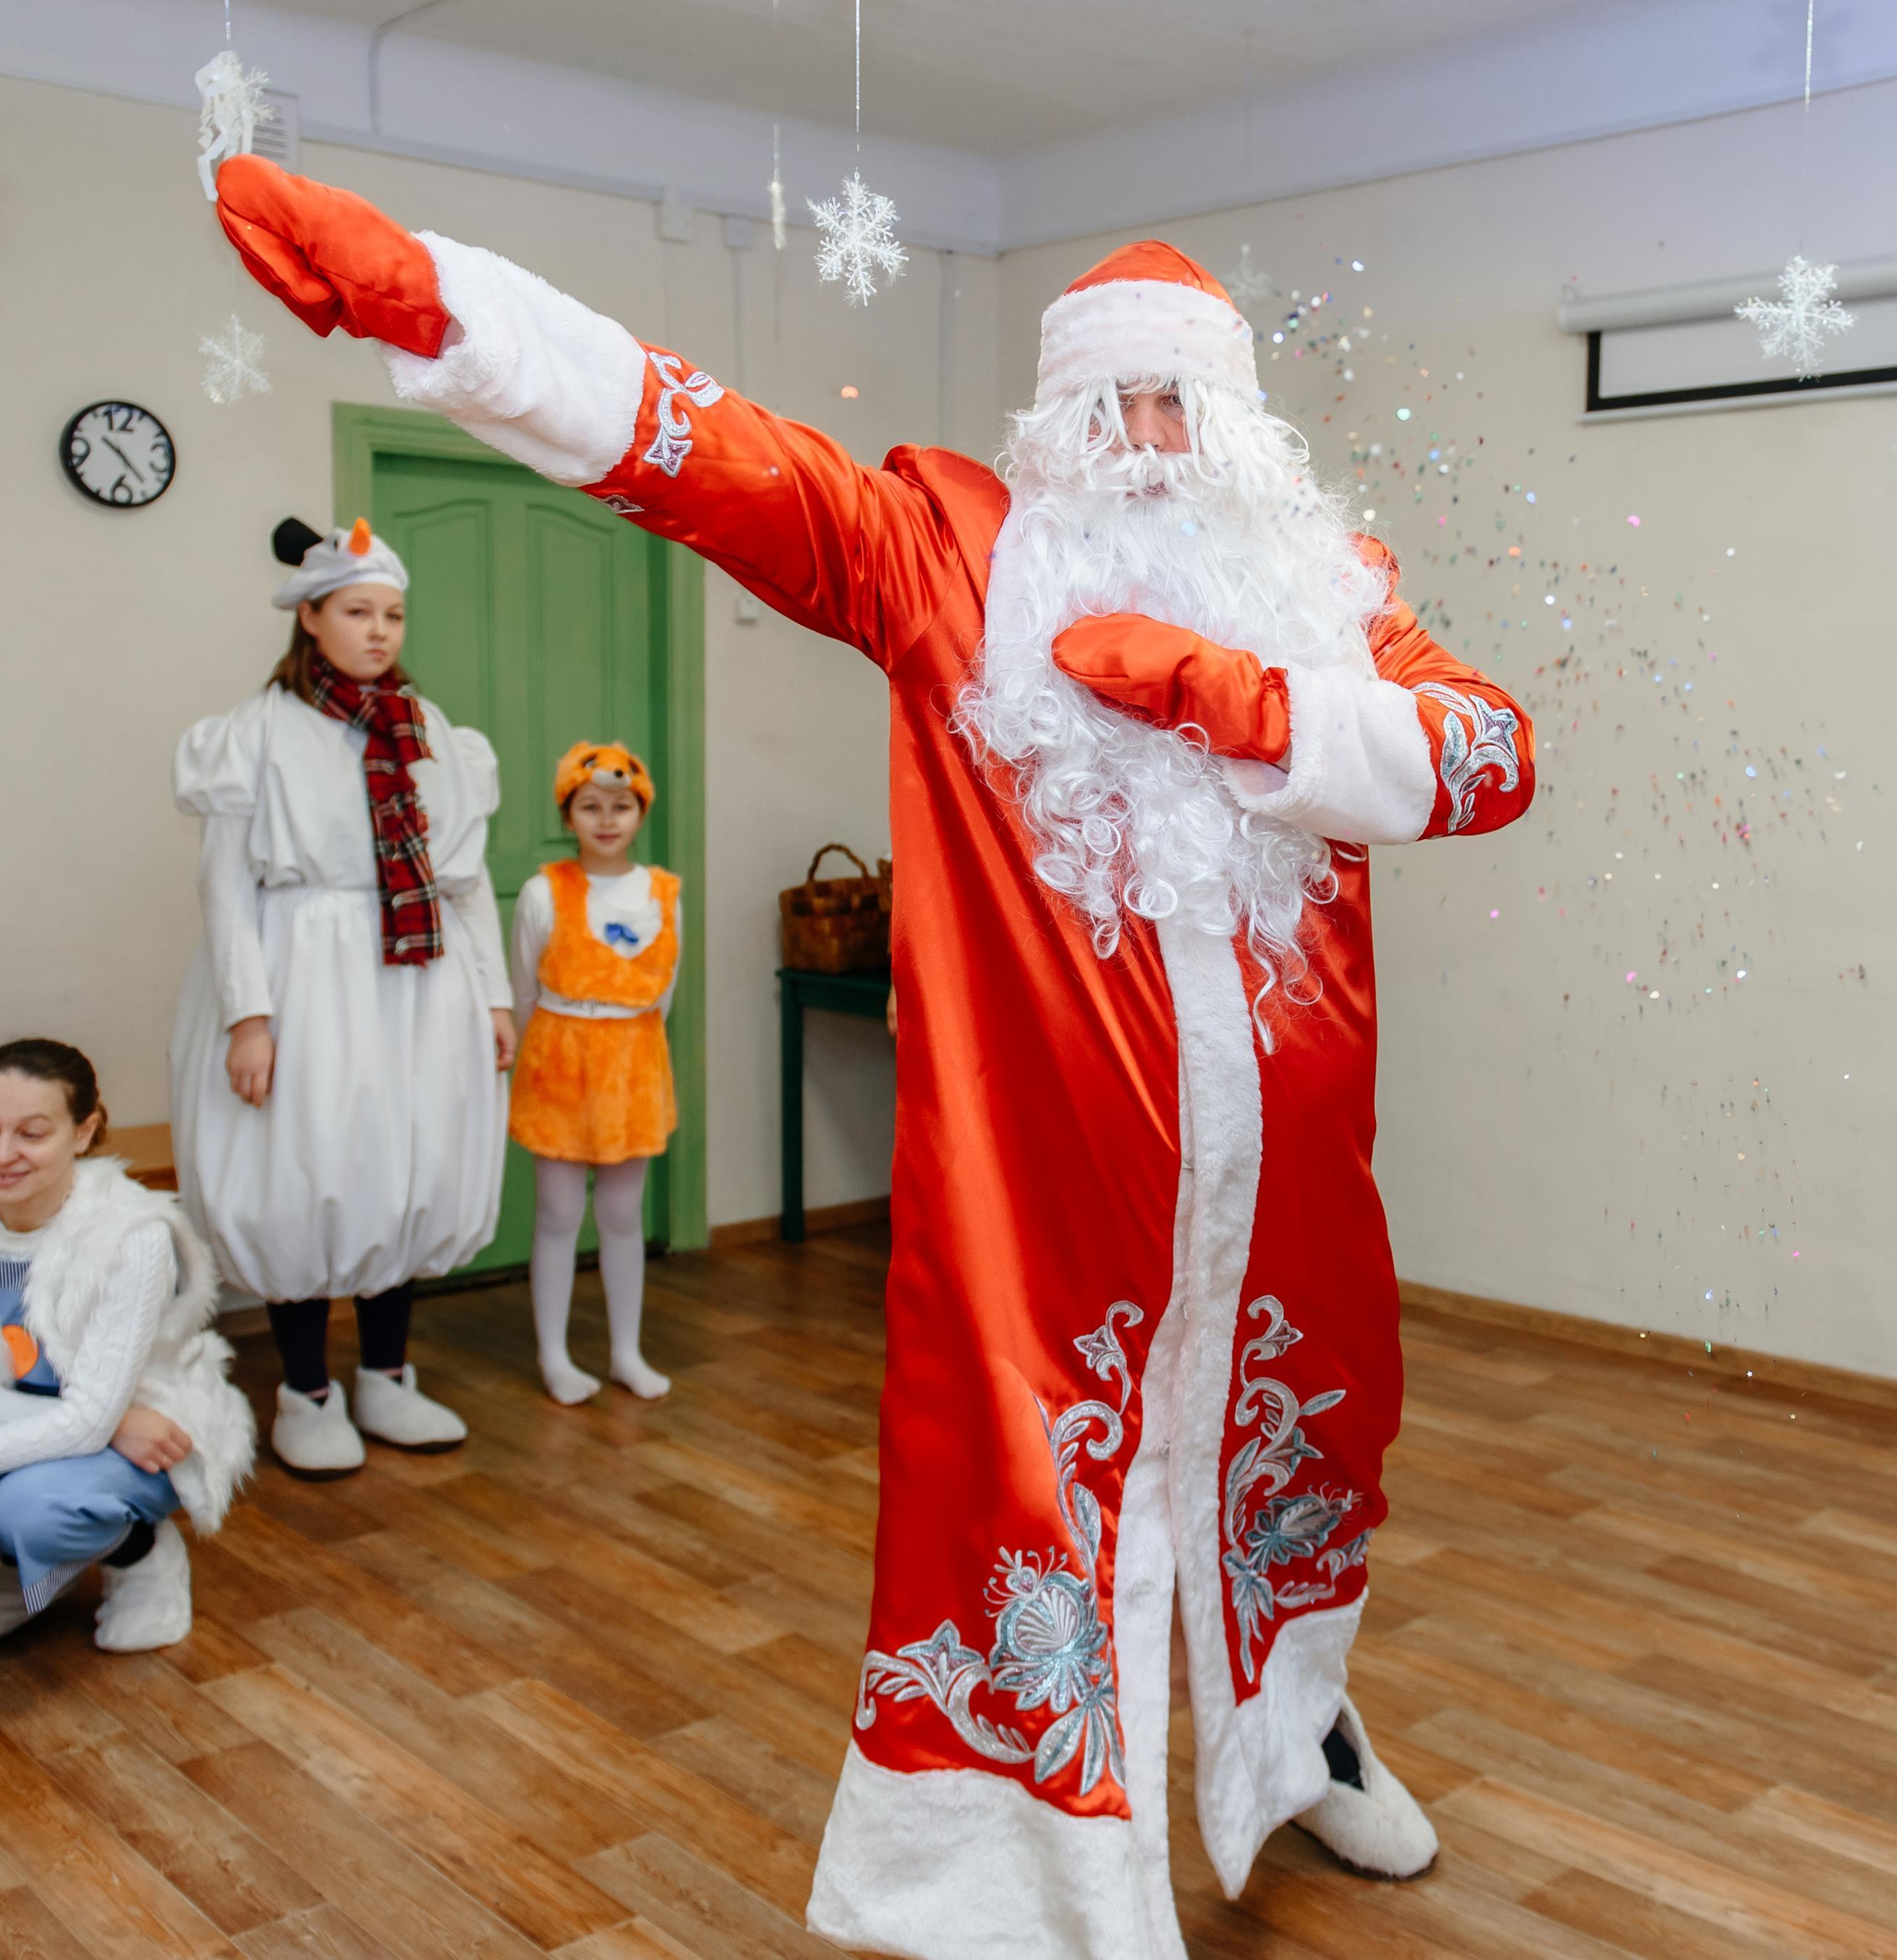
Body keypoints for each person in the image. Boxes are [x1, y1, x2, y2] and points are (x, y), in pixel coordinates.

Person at [211, 158, 1537, 1960]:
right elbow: (710, 447)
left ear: (1233, 421)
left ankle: (1291, 1729)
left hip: (1290, 1165)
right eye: (1110, 399)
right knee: (1031, 1490)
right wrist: (442, 305)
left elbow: (1485, 751)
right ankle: (1031, 1883)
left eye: (1178, 398)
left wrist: (1250, 707)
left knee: (1296, 1448)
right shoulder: (954, 556)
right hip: (1054, 1173)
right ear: (1057, 418)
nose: (1145, 433)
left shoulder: (1327, 587)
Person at [168, 516, 517, 1480]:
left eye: (393, 614)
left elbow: (463, 880)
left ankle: (387, 1376)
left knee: (399, 1161)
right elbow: (225, 885)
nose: (379, 631)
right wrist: (250, 1013)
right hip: (303, 973)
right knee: (303, 1166)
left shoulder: (431, 730)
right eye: (358, 612)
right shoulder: (257, 733)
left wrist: (492, 996)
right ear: (310, 617)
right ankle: (305, 1390)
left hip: (415, 978)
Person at [0, 1039, 255, 1651]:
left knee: (30, 1511)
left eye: (32, 1134)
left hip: (149, 1434)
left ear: (84, 1134)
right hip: (88, 1422)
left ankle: (140, 1552)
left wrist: (106, 1421)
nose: (4, 1154)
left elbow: (89, 1418)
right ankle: (21, 1573)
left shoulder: (129, 1237)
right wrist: (112, 1421)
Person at [508, 740, 681, 1405]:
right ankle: (554, 1356)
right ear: (567, 814)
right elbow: (525, 984)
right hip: (559, 1063)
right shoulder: (541, 892)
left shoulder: (662, 893)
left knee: (620, 1212)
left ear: (640, 813)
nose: (606, 821)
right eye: (589, 807)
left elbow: (662, 993)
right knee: (556, 1213)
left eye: (620, 807)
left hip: (632, 1071)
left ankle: (625, 1352)